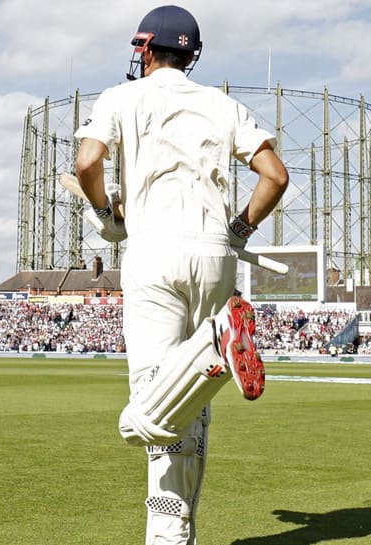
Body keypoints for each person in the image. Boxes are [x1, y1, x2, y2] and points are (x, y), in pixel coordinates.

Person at [73, 5, 289, 544]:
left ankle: (215, 345)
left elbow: (85, 163)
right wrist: (238, 231)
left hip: (153, 251)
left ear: (145, 49)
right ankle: (172, 539)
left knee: (145, 414)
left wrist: (106, 214)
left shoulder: (121, 98)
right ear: (191, 55)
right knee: (188, 411)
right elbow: (274, 176)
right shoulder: (221, 103)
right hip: (216, 256)